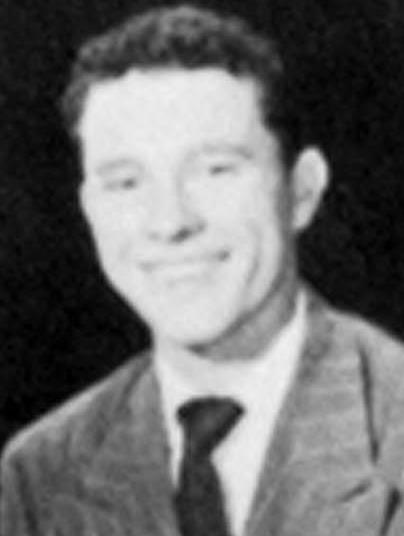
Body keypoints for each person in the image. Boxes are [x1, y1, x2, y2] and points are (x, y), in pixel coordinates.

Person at [2, 4, 404, 536]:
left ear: (302, 190)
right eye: (126, 182)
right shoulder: (38, 475)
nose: (170, 223)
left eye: (215, 169)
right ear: (90, 209)